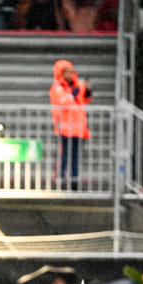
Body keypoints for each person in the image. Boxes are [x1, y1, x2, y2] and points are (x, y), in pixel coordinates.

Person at [49, 59, 92, 188]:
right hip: (65, 128)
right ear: (61, 73)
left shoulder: (76, 85)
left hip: (78, 128)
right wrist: (73, 93)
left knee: (76, 157)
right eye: (67, 72)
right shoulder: (57, 87)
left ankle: (74, 181)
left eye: (71, 72)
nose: (70, 74)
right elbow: (63, 102)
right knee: (64, 156)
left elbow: (85, 99)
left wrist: (88, 90)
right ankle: (60, 179)